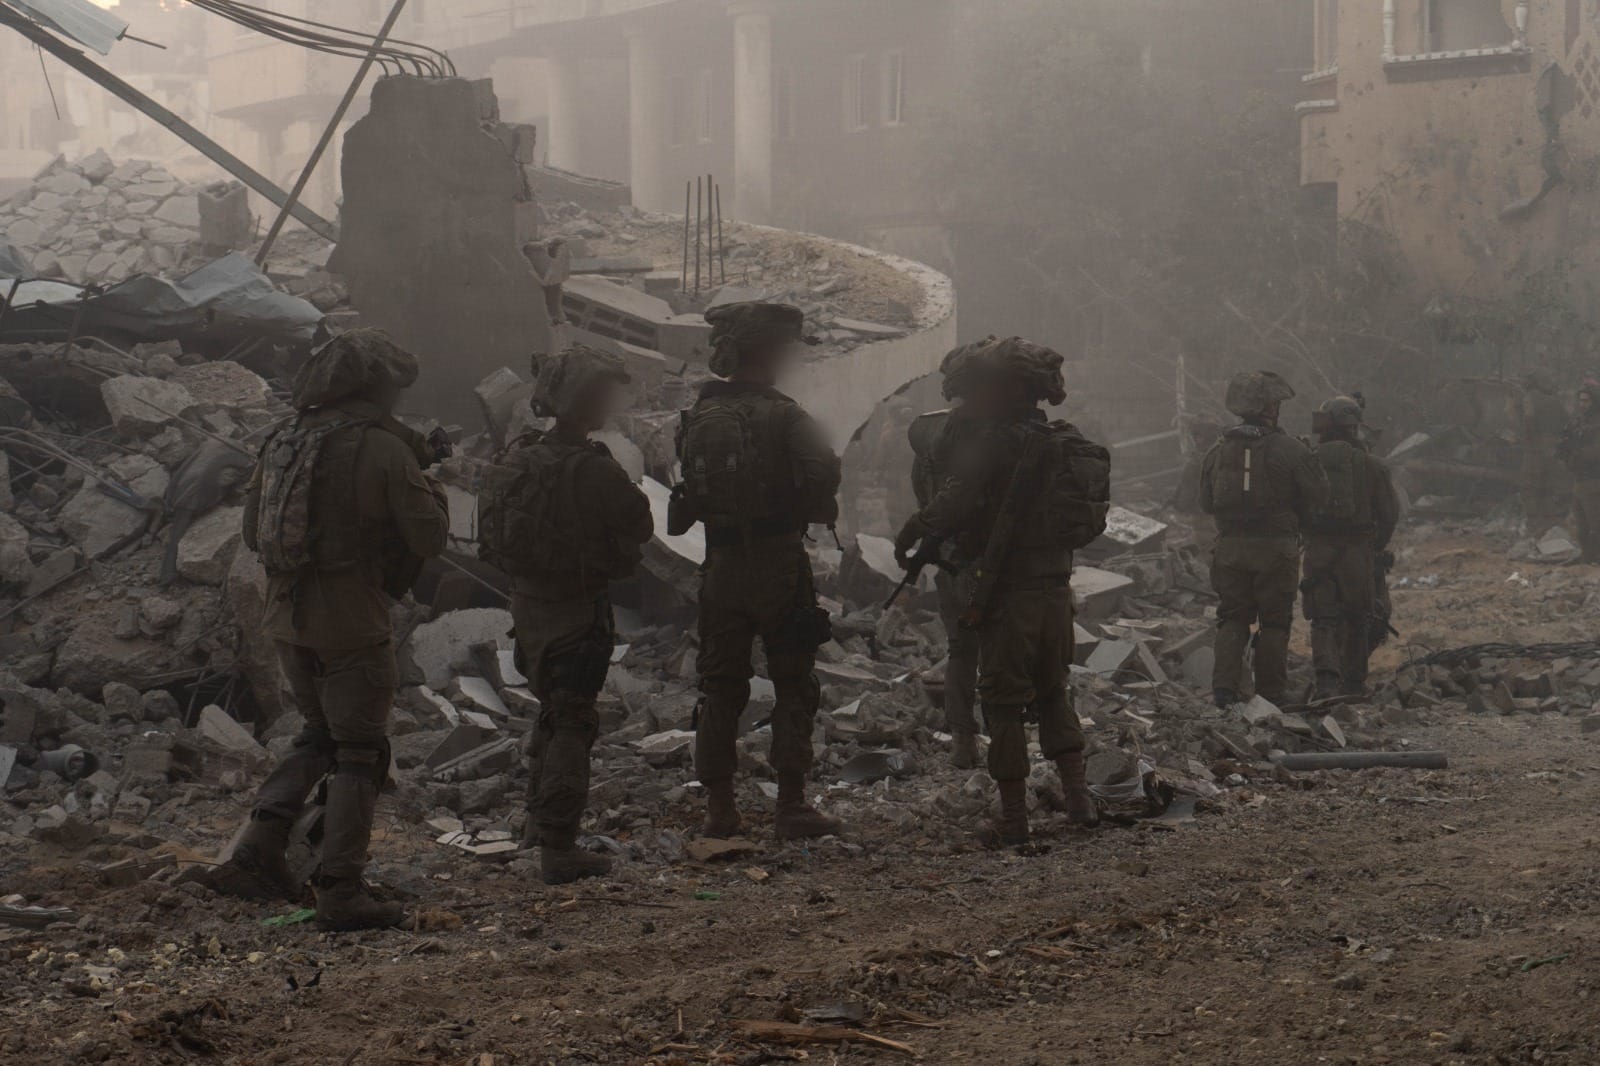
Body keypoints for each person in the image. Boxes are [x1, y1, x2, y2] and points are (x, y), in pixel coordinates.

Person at [212, 329, 450, 930]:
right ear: (376, 387)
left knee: (317, 734)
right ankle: (341, 890)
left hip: (286, 616)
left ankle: (255, 851)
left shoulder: (285, 439)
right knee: (361, 750)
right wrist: (434, 490)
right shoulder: (384, 448)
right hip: (350, 618)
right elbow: (429, 539)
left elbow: (251, 533)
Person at [893, 338, 1110, 845]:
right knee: (1053, 690)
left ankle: (1014, 817)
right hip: (1054, 589)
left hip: (1006, 591)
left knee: (1003, 701)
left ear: (1004, 389)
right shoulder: (1064, 440)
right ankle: (1079, 800)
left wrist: (911, 532)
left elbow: (952, 502)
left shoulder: (993, 443)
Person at [479, 345, 653, 884]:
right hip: (576, 610)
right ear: (585, 400)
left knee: (552, 712)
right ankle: (559, 847)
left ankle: (537, 827)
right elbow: (640, 523)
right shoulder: (592, 468)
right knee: (574, 719)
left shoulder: (518, 458)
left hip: (528, 607)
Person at [673, 302, 843, 839]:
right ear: (769, 352)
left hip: (720, 565)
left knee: (720, 686)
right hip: (777, 564)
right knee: (794, 682)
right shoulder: (785, 415)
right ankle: (791, 805)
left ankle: (720, 808)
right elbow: (824, 471)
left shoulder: (699, 416)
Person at [1199, 370, 1328, 708]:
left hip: (1229, 550)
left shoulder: (1216, 451)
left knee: (1232, 618)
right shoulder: (1291, 449)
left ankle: (1224, 692)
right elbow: (1319, 496)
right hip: (1276, 549)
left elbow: (1205, 502)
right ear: (1270, 407)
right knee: (1274, 623)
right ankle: (1271, 694)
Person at [906, 340, 993, 769]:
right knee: (999, 650)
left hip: (951, 558)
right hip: (996, 562)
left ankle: (963, 740)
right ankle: (1005, 741)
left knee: (962, 650)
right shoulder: (1002, 435)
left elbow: (924, 496)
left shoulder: (931, 435)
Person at [1300, 396, 1400, 701]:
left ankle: (1326, 683)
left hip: (1318, 550)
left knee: (1322, 619)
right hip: (1357, 552)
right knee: (1358, 618)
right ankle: (1354, 684)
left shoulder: (1307, 461)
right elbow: (1389, 514)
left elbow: (1294, 506)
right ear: (1354, 426)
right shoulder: (1372, 465)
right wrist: (1374, 546)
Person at [1518, 370, 1571, 540]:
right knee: (1552, 488)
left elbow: (1529, 421)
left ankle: (1534, 528)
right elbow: (1567, 423)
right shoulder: (1555, 401)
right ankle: (1553, 527)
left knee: (1530, 488)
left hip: (1536, 450)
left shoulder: (1529, 399)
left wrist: (1526, 441)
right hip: (1555, 451)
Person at [1559, 379, 1600, 561]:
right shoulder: (1578, 421)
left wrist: (1579, 453)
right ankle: (1588, 556)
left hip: (1594, 479)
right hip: (1579, 479)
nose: (1582, 404)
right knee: (1581, 524)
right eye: (1580, 400)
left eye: (1586, 401)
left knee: (1595, 523)